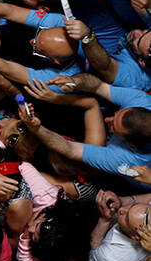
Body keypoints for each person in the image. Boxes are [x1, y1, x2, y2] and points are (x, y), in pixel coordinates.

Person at [22, 73, 151, 189]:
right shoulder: (141, 100)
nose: (107, 119)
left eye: (113, 126)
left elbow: (71, 149)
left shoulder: (126, 160)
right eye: (116, 113)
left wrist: (36, 128)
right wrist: (74, 81)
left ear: (130, 144)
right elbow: (99, 86)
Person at [89, 190, 151, 261]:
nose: (122, 209)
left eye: (127, 218)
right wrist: (120, 201)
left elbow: (94, 252)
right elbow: (149, 197)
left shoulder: (111, 260)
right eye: (133, 206)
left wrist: (104, 221)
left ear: (135, 237)